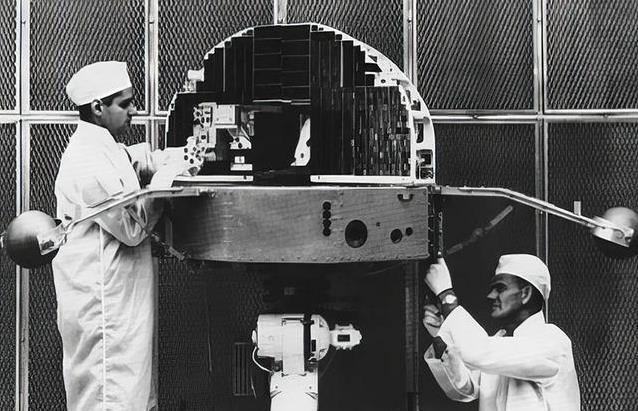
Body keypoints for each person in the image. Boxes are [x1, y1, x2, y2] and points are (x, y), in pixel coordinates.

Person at [52, 61, 178, 410]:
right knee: (109, 395)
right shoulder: (86, 159)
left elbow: (130, 162)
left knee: (129, 392)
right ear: (97, 107)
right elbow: (132, 228)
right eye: (125, 104)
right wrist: (164, 182)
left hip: (119, 296)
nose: (133, 111)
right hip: (102, 302)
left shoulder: (102, 146)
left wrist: (175, 157)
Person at [422, 254, 580, 410]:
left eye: (500, 288)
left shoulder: (551, 340)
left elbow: (477, 352)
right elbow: (466, 390)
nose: (491, 296)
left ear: (525, 293)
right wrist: (441, 333)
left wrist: (447, 297)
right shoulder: (500, 342)